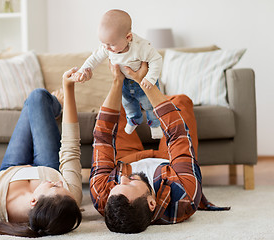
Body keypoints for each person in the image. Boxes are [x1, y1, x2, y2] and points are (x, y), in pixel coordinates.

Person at [89, 62, 229, 233]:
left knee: (116, 108)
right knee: (181, 101)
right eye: (130, 184)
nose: (124, 179)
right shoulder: (185, 195)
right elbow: (178, 134)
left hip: (126, 160)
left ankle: (139, 104)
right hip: (168, 161)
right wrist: (144, 81)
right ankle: (147, 103)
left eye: (118, 184)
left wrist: (117, 81)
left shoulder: (103, 196)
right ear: (151, 203)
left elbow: (103, 136)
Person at [0, 67, 93, 237]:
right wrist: (68, 88)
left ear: (33, 201)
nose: (61, 183)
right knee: (38, 97)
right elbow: (71, 146)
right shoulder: (69, 196)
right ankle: (56, 106)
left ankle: (46, 108)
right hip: (48, 165)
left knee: (34, 99)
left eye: (54, 185)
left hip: (10, 169)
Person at [73, 9, 163, 139]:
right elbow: (94, 58)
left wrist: (150, 78)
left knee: (149, 105)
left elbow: (156, 59)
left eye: (111, 45)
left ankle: (155, 125)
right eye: (104, 44)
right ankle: (133, 120)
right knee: (128, 104)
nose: (107, 48)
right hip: (125, 83)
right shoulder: (107, 46)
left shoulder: (140, 47)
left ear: (128, 37)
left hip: (144, 82)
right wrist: (82, 70)